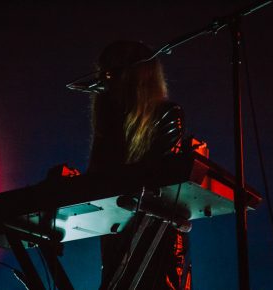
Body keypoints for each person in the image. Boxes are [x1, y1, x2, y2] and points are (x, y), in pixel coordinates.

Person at [86, 40, 192, 289]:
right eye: (104, 72)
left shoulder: (165, 114)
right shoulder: (111, 125)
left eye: (113, 71)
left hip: (156, 240)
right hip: (118, 235)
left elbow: (159, 181)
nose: (106, 79)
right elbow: (97, 183)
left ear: (137, 75)